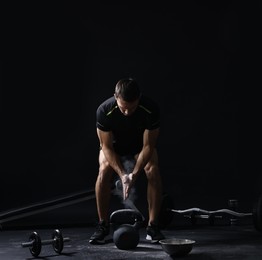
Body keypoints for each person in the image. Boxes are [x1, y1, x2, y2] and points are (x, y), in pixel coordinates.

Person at [89, 78, 165, 244]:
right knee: (103, 169)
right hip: (114, 148)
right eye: (123, 108)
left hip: (140, 147)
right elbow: (106, 147)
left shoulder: (150, 109)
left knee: (152, 169)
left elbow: (148, 146)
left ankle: (153, 226)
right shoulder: (104, 110)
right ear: (116, 97)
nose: (127, 113)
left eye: (132, 108)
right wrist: (124, 175)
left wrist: (134, 174)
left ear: (139, 98)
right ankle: (103, 225)